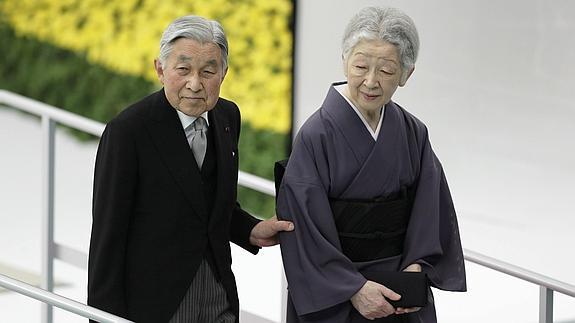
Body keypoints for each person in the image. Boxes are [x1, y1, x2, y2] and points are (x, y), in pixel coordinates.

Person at [87, 15, 294, 323]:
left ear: (223, 73)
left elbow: (209, 202)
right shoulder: (128, 132)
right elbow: (108, 239)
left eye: (208, 71)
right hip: (156, 304)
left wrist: (250, 229)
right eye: (182, 70)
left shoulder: (227, 117)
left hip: (217, 295)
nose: (195, 84)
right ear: (160, 70)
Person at [276, 6, 466, 323]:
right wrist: (354, 289)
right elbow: (303, 228)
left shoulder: (412, 132)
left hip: (399, 290)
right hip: (337, 294)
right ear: (344, 60)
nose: (371, 81)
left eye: (388, 71)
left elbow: (430, 210)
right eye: (361, 65)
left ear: (407, 74)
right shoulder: (315, 135)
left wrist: (415, 269)